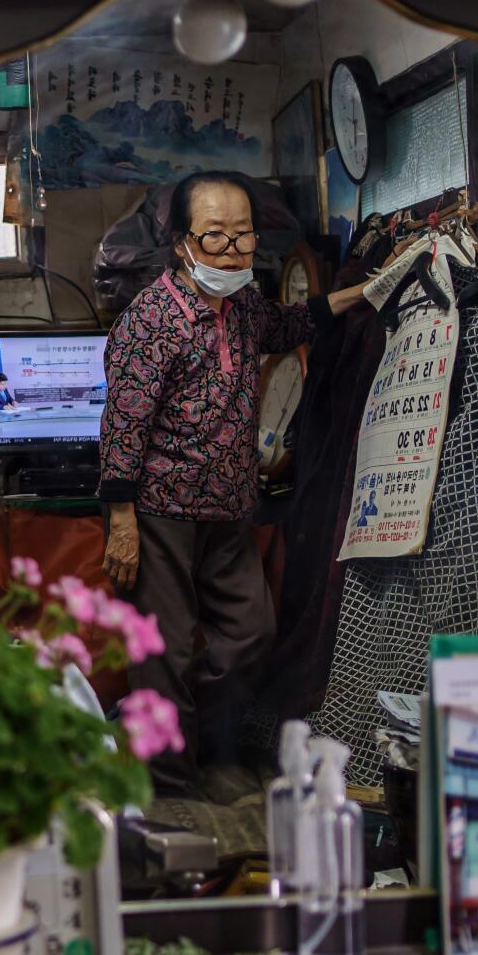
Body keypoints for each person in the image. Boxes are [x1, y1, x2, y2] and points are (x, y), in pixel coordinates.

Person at [98, 171, 375, 794]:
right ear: (181, 243)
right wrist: (121, 520)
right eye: (215, 237)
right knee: (163, 654)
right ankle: (171, 785)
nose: (232, 251)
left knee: (252, 635)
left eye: (244, 236)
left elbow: (282, 327)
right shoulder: (151, 319)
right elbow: (122, 422)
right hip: (161, 512)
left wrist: (356, 295)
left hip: (228, 508)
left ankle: (202, 753)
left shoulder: (243, 304)